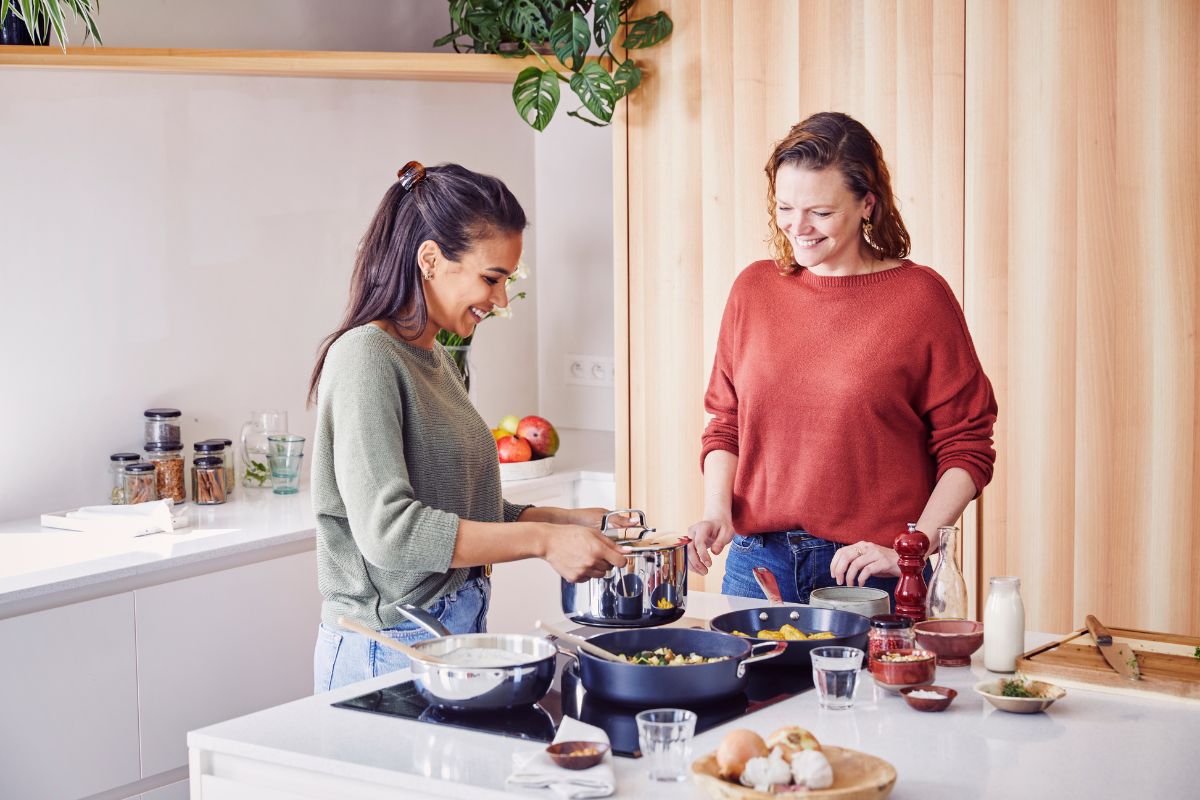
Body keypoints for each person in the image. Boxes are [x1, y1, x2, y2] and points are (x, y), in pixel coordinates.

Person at [308, 161, 628, 693]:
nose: (501, 301)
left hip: (445, 636)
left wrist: (567, 519)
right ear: (430, 259)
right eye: (491, 278)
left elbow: (461, 506)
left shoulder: (434, 357)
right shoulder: (365, 356)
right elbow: (391, 533)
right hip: (385, 650)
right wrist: (543, 540)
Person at [687, 112, 997, 606]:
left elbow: (968, 445)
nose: (798, 227)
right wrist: (717, 511)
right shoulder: (754, 289)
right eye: (785, 207)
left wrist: (913, 550)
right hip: (756, 565)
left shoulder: (920, 299)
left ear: (867, 205)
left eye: (821, 212)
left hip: (868, 576)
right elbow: (726, 422)